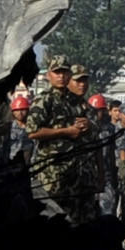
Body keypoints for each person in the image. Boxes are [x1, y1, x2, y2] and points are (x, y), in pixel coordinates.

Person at [25, 56, 94, 216]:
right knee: (54, 220)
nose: (61, 76)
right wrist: (66, 131)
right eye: (57, 72)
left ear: (70, 75)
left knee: (80, 220)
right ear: (49, 75)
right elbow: (33, 132)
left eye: (64, 72)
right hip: (53, 173)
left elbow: (93, 126)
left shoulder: (75, 101)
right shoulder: (43, 100)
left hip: (78, 172)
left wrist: (88, 125)